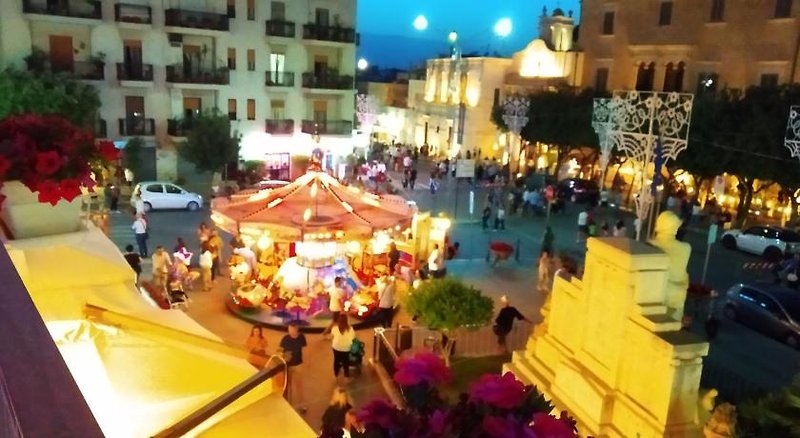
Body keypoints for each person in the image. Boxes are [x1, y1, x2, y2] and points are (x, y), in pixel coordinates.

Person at [279, 321, 308, 411]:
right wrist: (282, 356)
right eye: (289, 330)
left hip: (298, 364)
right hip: (287, 365)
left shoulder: (301, 337)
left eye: (292, 330)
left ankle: (302, 405)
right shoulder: (285, 339)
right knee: (286, 385)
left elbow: (305, 349)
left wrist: (306, 362)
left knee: (299, 385)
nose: (290, 332)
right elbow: (280, 351)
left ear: (296, 330)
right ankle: (285, 403)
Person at [330, 317, 356, 381]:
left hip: (336, 347)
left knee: (336, 360)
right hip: (346, 348)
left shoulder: (334, 328)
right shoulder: (350, 329)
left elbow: (332, 337)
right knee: (346, 362)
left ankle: (335, 376)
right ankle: (346, 377)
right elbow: (353, 338)